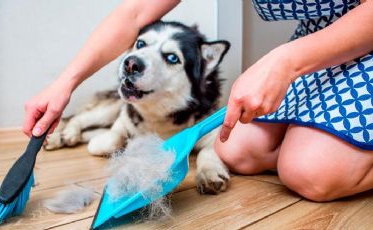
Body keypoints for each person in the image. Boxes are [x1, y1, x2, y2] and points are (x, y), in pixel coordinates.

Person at [22, 0, 373, 202]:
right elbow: (134, 13)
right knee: (236, 152)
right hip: (319, 40)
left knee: (312, 174)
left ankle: (329, 154)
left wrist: (284, 62)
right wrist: (66, 81)